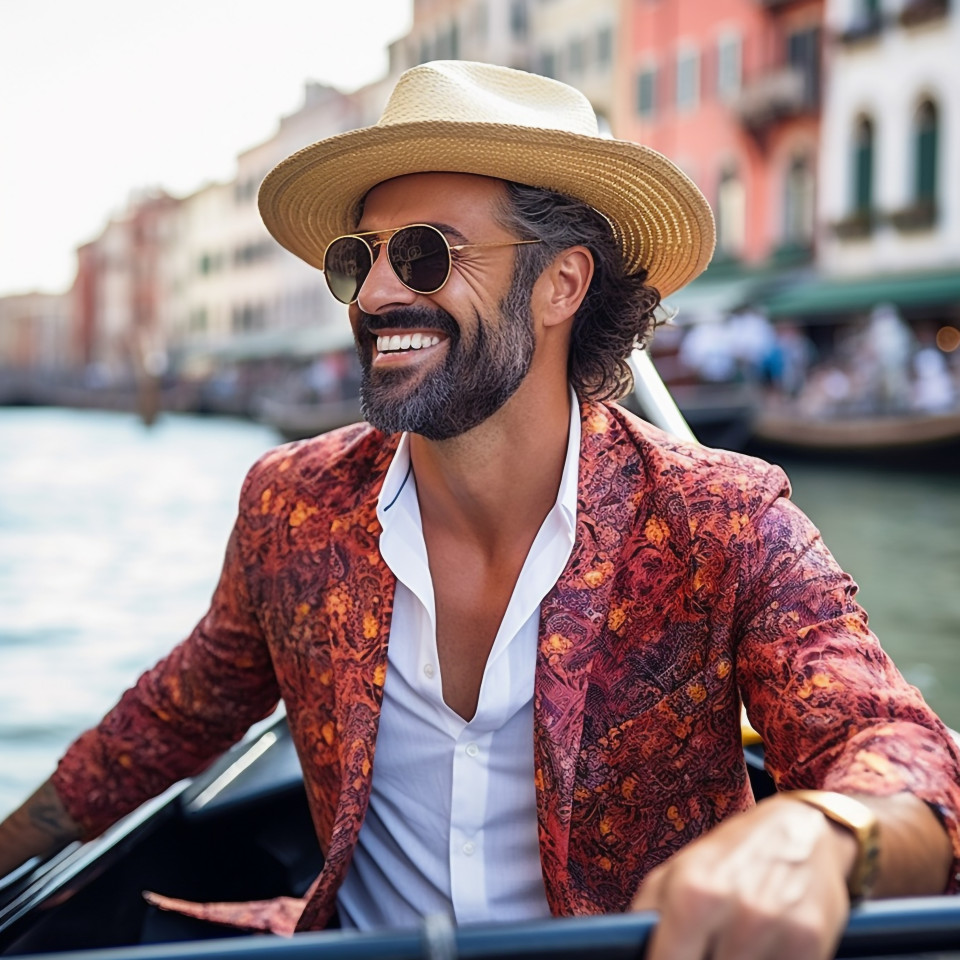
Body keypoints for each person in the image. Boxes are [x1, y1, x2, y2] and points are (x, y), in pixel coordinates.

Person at [1, 61, 958, 960]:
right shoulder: (292, 504)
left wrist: (820, 832)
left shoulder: (720, 515)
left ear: (562, 283)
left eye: (424, 256)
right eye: (358, 258)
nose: (376, 293)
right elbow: (170, 720)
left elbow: (897, 749)